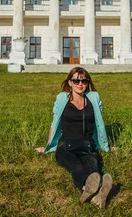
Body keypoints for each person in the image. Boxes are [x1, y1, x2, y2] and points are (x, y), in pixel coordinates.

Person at [35, 66, 114, 208]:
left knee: (93, 168)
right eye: (76, 81)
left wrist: (105, 146)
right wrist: (47, 147)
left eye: (84, 81)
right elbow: (54, 123)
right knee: (76, 166)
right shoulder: (62, 98)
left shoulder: (94, 98)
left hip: (88, 145)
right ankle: (90, 189)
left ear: (88, 83)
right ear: (70, 82)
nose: (80, 84)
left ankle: (95, 193)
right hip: (66, 145)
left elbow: (100, 124)